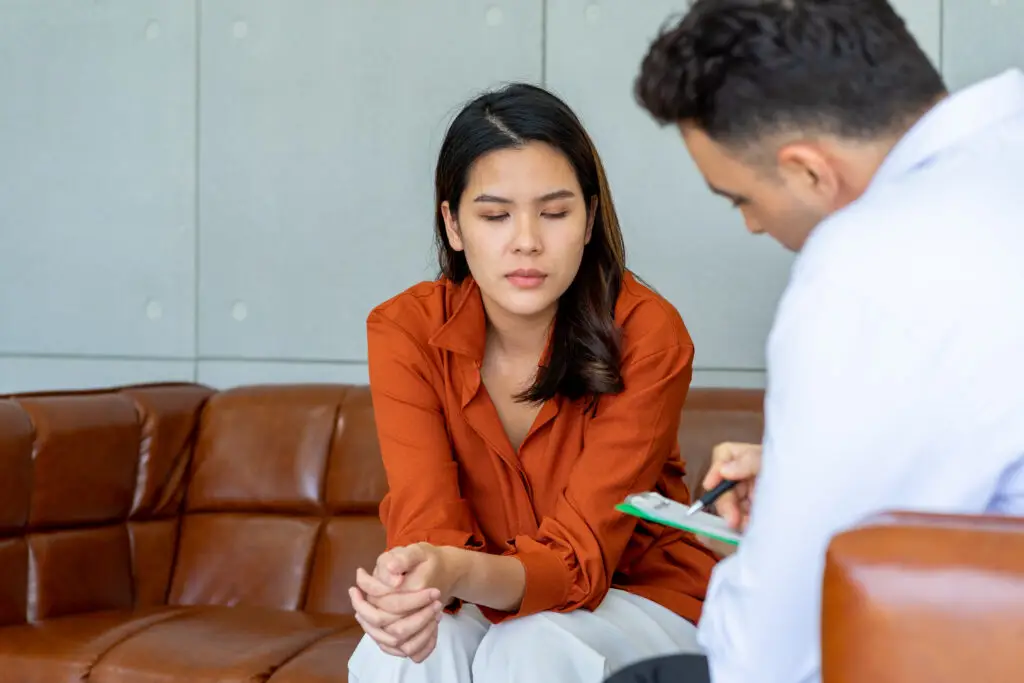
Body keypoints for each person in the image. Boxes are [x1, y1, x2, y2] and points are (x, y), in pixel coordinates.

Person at [607, 1, 1024, 682]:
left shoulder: (866, 266)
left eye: (737, 197)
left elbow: (770, 652)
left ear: (808, 171)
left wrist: (787, 522)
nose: (748, 225)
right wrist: (808, 470)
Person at [346, 82, 718, 683]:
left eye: (554, 212)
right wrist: (411, 589)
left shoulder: (649, 332)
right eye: (494, 215)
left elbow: (579, 564)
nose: (526, 241)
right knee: (404, 654)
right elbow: (426, 521)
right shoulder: (404, 329)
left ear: (591, 218)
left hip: (644, 599)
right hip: (484, 595)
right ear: (454, 225)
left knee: (532, 646)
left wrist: (449, 571)